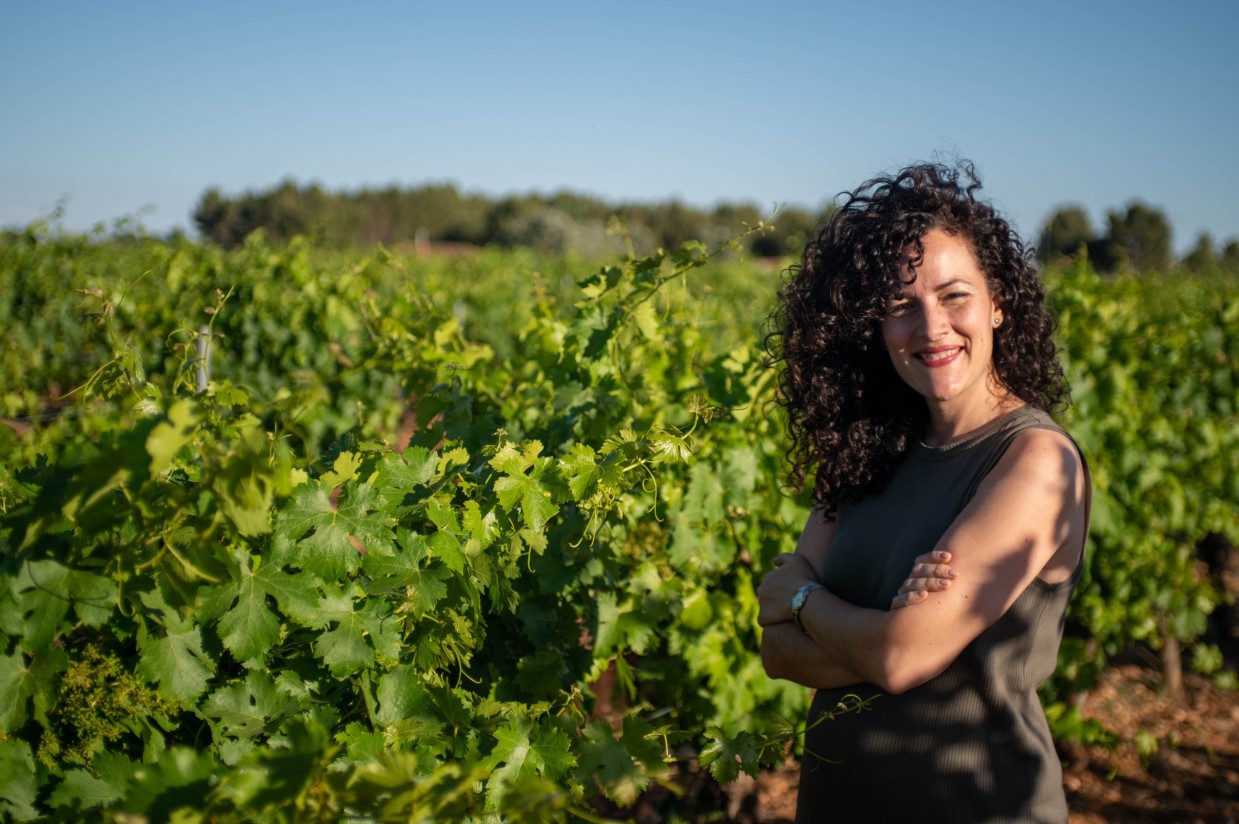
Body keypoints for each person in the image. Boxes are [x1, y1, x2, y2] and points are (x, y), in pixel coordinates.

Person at [757, 162, 1090, 823]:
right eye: (899, 306)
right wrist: (884, 640)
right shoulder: (867, 451)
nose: (930, 326)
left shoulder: (1034, 460)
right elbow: (775, 650)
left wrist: (803, 597)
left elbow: (900, 656)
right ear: (874, 329)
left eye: (953, 296)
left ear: (999, 303)